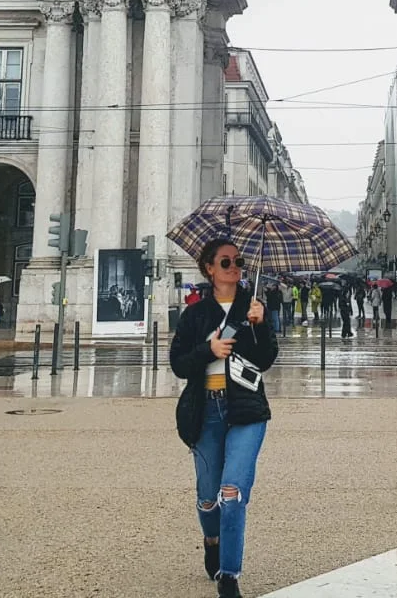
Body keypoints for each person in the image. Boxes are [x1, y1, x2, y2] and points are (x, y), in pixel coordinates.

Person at [170, 240, 279, 598]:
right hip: (205, 411)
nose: (235, 266)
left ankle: (229, 575)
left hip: (245, 410)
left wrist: (260, 326)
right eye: (226, 261)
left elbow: (265, 360)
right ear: (209, 269)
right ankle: (211, 538)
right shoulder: (195, 315)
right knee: (208, 497)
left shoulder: (254, 308)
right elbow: (179, 364)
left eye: (239, 261)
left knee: (232, 493)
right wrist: (209, 350)